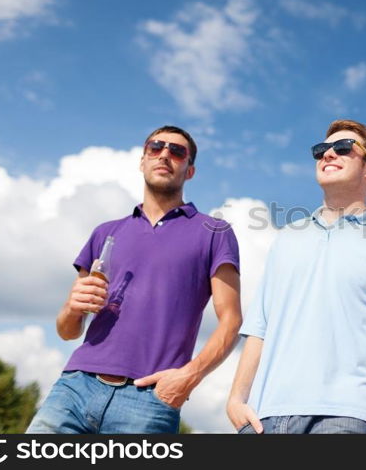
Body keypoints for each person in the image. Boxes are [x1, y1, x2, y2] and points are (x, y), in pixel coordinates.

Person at [227, 119, 366, 434]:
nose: (328, 154)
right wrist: (236, 398)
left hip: (344, 419)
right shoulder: (286, 239)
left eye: (343, 148)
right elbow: (260, 327)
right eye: (321, 150)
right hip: (264, 418)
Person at [27, 125, 242, 434]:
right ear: (143, 161)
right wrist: (73, 308)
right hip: (73, 389)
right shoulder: (105, 232)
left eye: (177, 151)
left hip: (148, 400)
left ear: (190, 170)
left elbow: (231, 320)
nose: (165, 154)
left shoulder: (214, 232)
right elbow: (67, 330)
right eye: (156, 147)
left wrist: (188, 377)